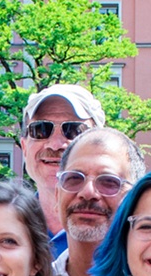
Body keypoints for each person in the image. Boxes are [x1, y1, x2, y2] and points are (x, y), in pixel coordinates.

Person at [48, 127, 143, 276]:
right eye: (74, 179)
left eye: (108, 182)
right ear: (57, 196)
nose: (88, 192)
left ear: (135, 199)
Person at [16, 84, 105, 246]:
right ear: (24, 148)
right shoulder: (6, 226)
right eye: (41, 130)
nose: (55, 145)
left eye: (73, 130)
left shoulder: (122, 230)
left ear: (99, 146)